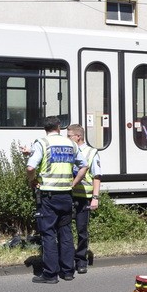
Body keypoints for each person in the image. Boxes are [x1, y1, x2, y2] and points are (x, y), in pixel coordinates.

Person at [26, 117, 87, 283]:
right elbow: (84, 165)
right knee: (66, 232)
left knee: (48, 234)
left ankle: (50, 274)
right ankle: (68, 272)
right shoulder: (71, 144)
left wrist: (32, 180)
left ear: (45, 128)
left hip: (48, 196)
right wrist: (74, 183)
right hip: (66, 194)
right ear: (59, 127)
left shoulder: (42, 143)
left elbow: (31, 167)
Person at [66, 123, 102, 274]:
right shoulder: (67, 150)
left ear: (78, 137)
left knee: (82, 230)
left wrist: (95, 197)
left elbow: (97, 176)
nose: (67, 139)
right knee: (66, 231)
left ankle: (81, 260)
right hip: (68, 195)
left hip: (84, 197)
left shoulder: (91, 152)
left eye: (69, 136)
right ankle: (67, 259)